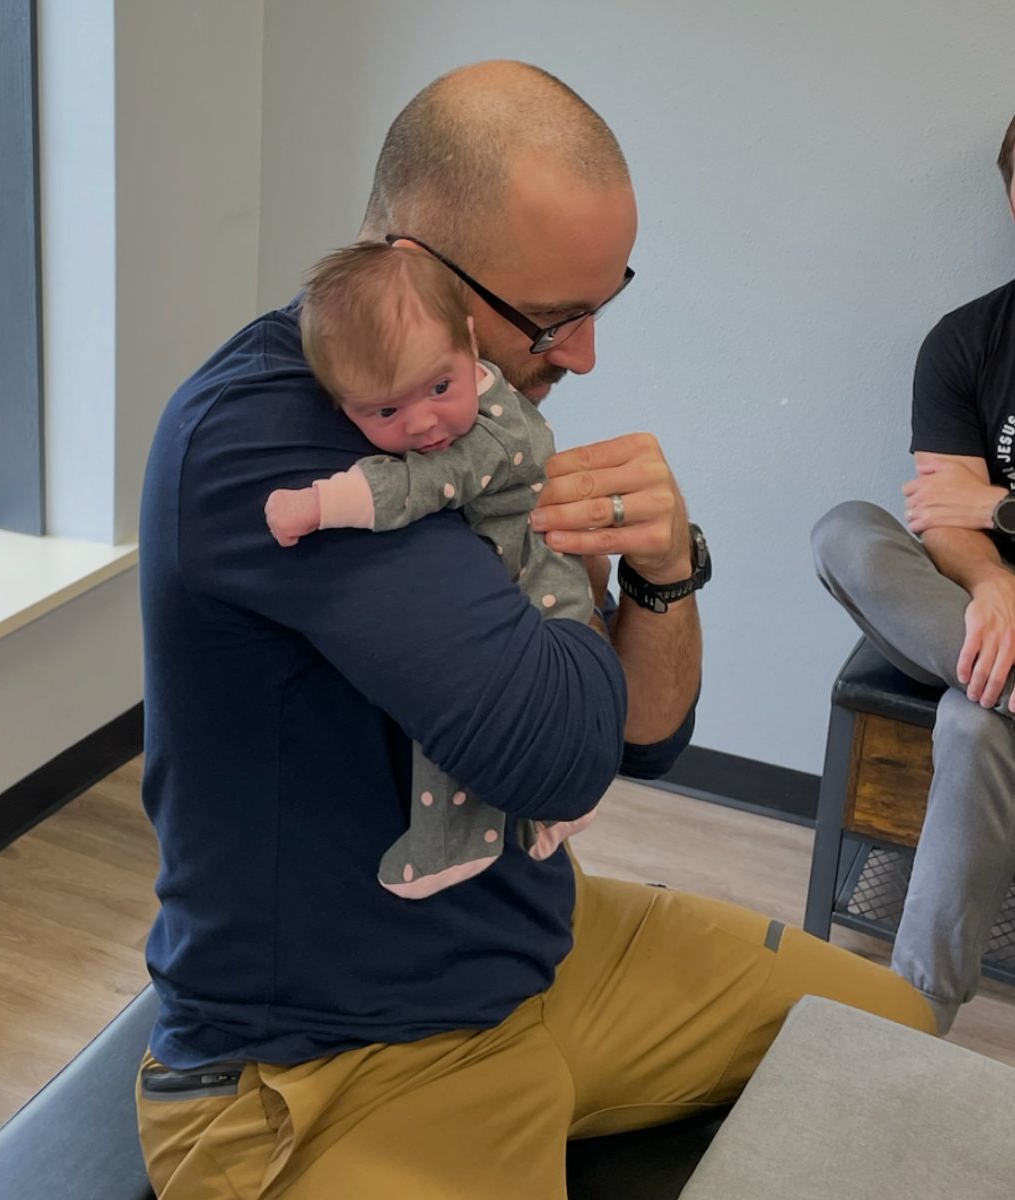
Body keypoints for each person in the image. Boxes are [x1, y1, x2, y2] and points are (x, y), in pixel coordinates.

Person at [137, 60, 935, 1199]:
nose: (585, 355)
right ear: (414, 260)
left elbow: (642, 737)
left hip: (539, 952)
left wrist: (664, 572)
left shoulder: (465, 423)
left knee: (897, 1034)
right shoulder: (271, 447)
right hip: (331, 1061)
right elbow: (558, 754)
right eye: (555, 319)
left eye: (602, 306)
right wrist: (569, 577)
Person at [266, 240, 603, 898]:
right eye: (385, 411)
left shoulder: (498, 430)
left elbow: (425, 484)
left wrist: (320, 503)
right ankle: (529, 820)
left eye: (440, 387)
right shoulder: (448, 398)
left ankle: (454, 845)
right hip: (519, 575)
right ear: (340, 408)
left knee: (469, 708)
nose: (424, 424)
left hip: (543, 584)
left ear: (469, 344)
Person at [811, 113, 1015, 1037]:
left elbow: (977, 504)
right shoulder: (967, 341)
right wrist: (995, 584)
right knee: (845, 532)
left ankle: (910, 1016)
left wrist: (1000, 508)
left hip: (983, 655)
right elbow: (941, 518)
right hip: (971, 615)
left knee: (975, 721)